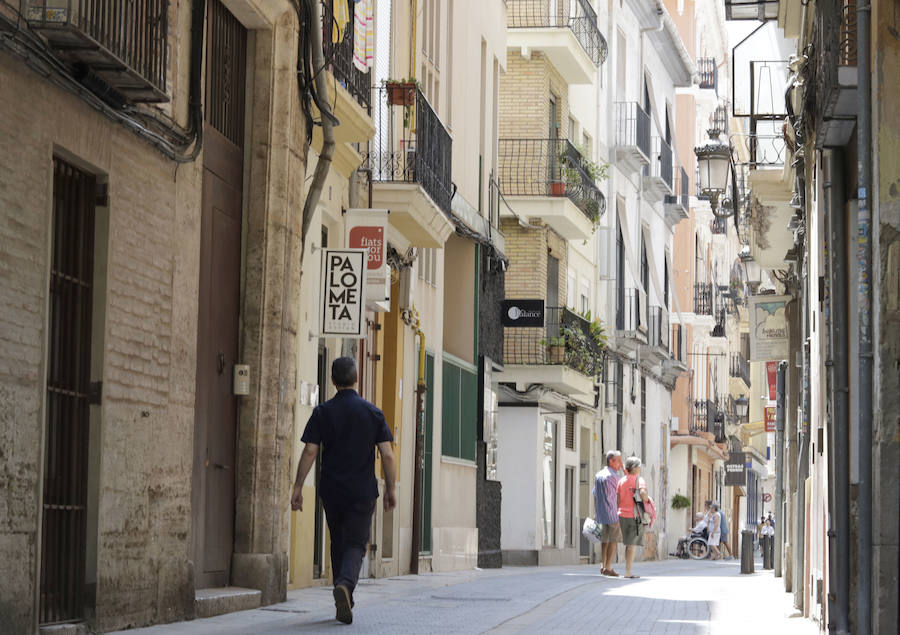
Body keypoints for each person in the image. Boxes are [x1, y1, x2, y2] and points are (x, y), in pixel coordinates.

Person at [291, 357, 397, 625]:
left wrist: (298, 487)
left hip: (332, 489)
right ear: (357, 378)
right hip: (362, 490)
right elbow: (387, 455)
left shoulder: (322, 412)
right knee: (355, 543)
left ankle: (343, 595)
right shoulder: (373, 413)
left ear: (333, 380)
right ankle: (346, 586)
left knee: (338, 541)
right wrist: (391, 489)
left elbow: (310, 450)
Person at [617, 456, 650, 579]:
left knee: (628, 543)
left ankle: (628, 569)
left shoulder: (621, 481)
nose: (640, 469)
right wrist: (647, 499)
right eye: (639, 466)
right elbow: (642, 493)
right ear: (634, 468)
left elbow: (618, 499)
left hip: (622, 514)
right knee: (631, 545)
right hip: (634, 515)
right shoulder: (639, 480)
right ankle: (628, 571)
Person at [592, 450, 624, 576]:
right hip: (613, 513)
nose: (620, 464)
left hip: (601, 512)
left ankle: (603, 565)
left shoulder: (598, 475)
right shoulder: (614, 477)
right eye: (619, 461)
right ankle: (608, 568)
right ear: (611, 461)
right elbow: (622, 492)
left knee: (604, 540)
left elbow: (594, 493)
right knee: (613, 540)